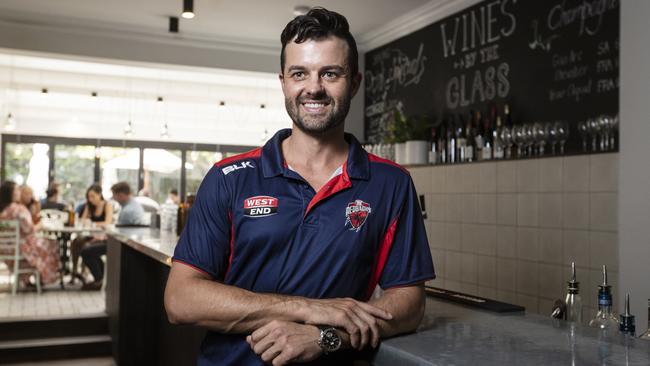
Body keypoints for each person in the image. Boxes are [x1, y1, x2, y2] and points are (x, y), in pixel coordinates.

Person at [164, 8, 434, 366]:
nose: (314, 87)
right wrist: (309, 309)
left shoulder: (391, 183)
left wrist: (327, 337)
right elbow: (181, 300)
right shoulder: (229, 177)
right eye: (299, 73)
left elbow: (409, 304)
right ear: (283, 82)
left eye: (330, 73)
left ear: (354, 82)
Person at [80, 181, 145, 290]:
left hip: (123, 246)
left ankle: (99, 279)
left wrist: (102, 239)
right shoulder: (131, 206)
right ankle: (100, 278)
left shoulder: (127, 210)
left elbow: (119, 234)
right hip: (124, 242)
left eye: (114, 195)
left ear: (121, 195)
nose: (113, 198)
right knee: (86, 247)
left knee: (86, 251)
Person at [0, 181, 60, 287]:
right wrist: (41, 224)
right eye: (17, 190)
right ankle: (45, 278)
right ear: (11, 193)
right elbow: (30, 229)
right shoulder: (18, 209)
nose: (19, 192)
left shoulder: (3, 210)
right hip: (22, 249)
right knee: (52, 243)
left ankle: (27, 279)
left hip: (6, 250)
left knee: (43, 243)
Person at [70, 184, 113, 285]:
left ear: (100, 194)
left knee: (86, 249)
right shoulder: (89, 206)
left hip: (103, 237)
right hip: (92, 235)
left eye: (93, 196)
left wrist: (92, 223)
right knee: (76, 242)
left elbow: (107, 223)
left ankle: (99, 277)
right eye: (89, 197)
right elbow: (83, 220)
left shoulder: (107, 205)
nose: (90, 199)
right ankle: (75, 271)